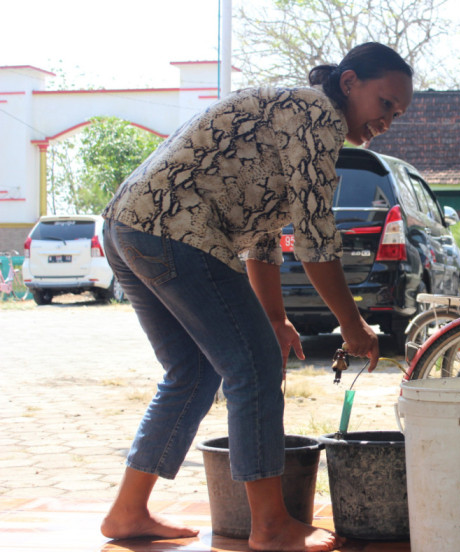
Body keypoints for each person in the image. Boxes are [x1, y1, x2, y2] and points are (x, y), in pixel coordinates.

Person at [98, 42, 413, 552]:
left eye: (397, 112)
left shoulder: (295, 116)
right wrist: (352, 324)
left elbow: (264, 237)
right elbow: (315, 240)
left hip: (130, 227)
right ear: (349, 82)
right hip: (175, 230)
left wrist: (275, 317)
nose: (388, 120)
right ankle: (270, 526)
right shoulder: (318, 114)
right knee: (254, 367)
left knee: (192, 373)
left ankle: (128, 512)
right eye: (385, 103)